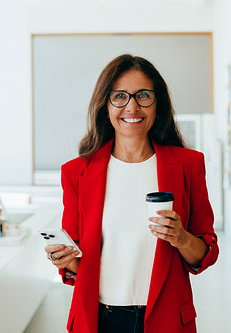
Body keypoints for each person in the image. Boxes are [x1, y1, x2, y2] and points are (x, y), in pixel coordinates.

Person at [44, 54, 219, 333]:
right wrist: (65, 260)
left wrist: (181, 238)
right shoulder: (76, 173)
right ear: (106, 105)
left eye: (143, 95)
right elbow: (78, 263)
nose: (132, 106)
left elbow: (205, 254)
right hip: (98, 319)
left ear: (157, 103)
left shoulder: (188, 165)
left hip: (166, 318)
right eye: (120, 96)